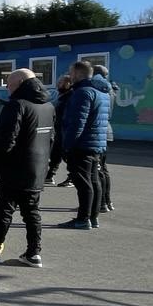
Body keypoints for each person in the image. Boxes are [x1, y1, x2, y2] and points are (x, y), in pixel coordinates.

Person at [0, 69, 54, 267]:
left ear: (21, 82)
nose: (7, 87)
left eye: (9, 83)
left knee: (4, 211)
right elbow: (52, 138)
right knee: (32, 211)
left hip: (15, 168)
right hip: (37, 169)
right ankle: (34, 253)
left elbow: (5, 140)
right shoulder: (49, 106)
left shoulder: (16, 105)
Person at [60, 60, 110, 231]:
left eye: (70, 72)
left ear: (77, 73)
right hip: (96, 144)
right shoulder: (102, 92)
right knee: (93, 180)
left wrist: (67, 145)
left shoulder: (83, 93)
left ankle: (83, 219)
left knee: (83, 183)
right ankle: (93, 217)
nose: (68, 75)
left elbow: (77, 123)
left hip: (82, 145)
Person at [92, 64, 119, 213]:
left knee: (97, 170)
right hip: (107, 130)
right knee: (103, 169)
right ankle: (106, 201)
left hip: (99, 131)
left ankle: (100, 202)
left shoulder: (97, 87)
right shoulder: (110, 89)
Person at [47, 74, 73, 186]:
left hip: (65, 130)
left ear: (69, 84)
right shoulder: (61, 96)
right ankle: (50, 175)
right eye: (58, 82)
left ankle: (72, 177)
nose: (58, 84)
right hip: (58, 129)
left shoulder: (70, 97)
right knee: (55, 153)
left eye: (61, 82)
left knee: (67, 156)